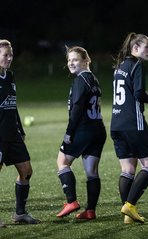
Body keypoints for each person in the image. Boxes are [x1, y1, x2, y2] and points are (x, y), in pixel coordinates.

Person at [0, 39, 40, 228]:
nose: (10, 58)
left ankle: (20, 213)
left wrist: (20, 129)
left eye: (11, 55)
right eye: (6, 55)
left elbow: (12, 106)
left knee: (26, 171)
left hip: (13, 135)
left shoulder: (10, 76)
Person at [111, 32, 148, 224]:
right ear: (135, 48)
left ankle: (127, 215)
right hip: (134, 125)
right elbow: (139, 94)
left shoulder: (119, 67)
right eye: (146, 47)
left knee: (128, 169)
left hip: (116, 125)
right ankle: (130, 205)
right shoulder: (137, 65)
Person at [56, 46, 106, 220]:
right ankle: (90, 210)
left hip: (83, 129)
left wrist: (69, 132)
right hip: (98, 129)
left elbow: (77, 106)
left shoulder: (81, 79)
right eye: (69, 60)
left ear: (86, 61)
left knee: (62, 161)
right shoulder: (93, 79)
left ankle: (71, 201)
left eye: (75, 59)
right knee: (91, 171)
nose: (71, 63)